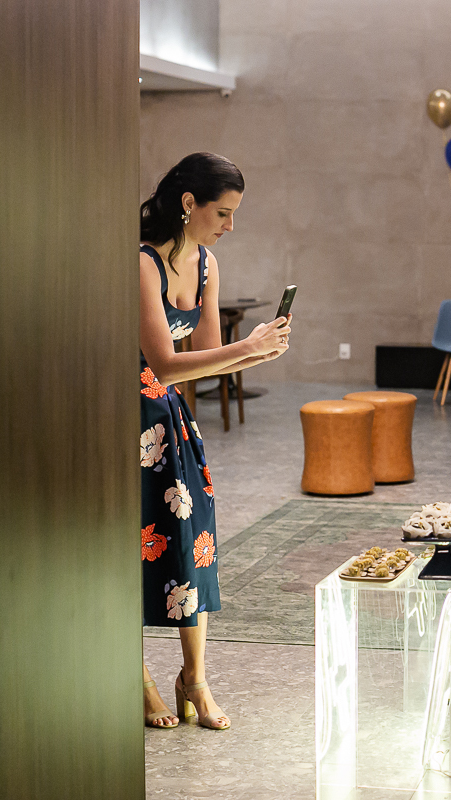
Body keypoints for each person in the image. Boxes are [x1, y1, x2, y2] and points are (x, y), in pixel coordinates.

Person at [138, 152, 290, 729]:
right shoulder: (143, 264)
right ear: (188, 204)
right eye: (223, 213)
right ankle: (141, 679)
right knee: (133, 546)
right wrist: (245, 349)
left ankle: (193, 678)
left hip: (172, 421)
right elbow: (165, 362)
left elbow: (201, 365)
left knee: (192, 542)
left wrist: (260, 349)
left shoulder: (205, 264)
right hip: (129, 420)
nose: (231, 226)